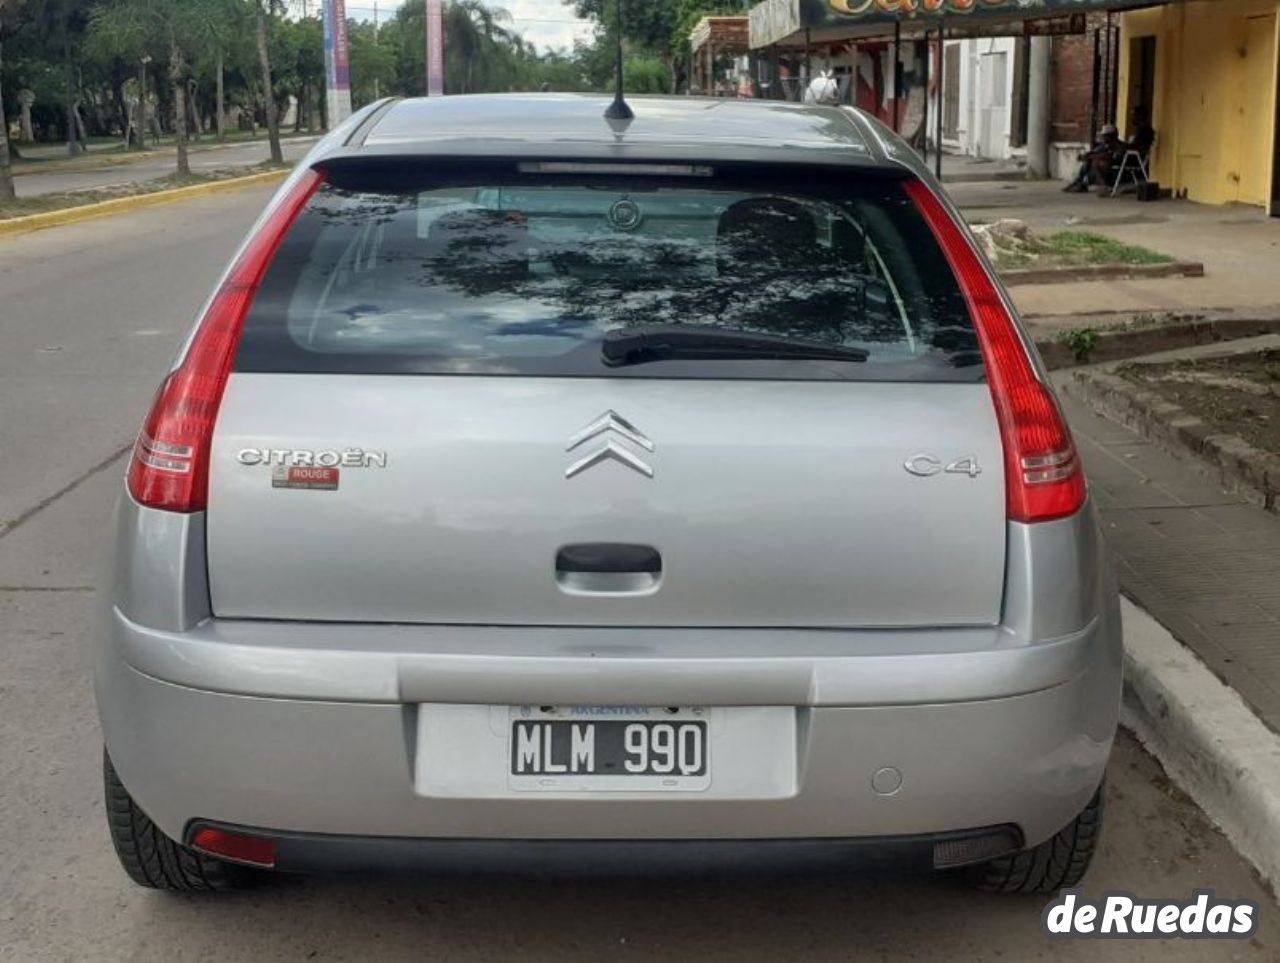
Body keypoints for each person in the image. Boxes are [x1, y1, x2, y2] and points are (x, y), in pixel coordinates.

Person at [1062, 124, 1125, 193]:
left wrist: (1091, 156)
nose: (1103, 137)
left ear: (1112, 135)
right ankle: (1079, 182)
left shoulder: (1118, 145)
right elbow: (1095, 152)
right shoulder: (1104, 145)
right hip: (1105, 165)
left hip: (1115, 168)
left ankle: (1104, 185)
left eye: (1105, 135)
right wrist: (1086, 155)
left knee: (1095, 163)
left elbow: (1108, 157)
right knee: (1088, 160)